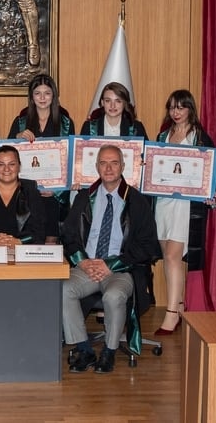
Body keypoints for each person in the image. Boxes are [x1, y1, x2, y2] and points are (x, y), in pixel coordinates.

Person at [61, 145, 159, 374]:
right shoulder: (85, 197)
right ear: (96, 167)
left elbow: (147, 246)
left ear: (123, 167)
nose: (109, 168)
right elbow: (68, 235)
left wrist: (111, 264)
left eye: (114, 163)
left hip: (121, 268)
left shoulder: (136, 201)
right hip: (87, 266)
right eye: (103, 163)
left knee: (114, 295)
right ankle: (84, 348)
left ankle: (109, 351)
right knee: (63, 289)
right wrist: (83, 261)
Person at [153, 89, 216, 336]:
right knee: (167, 255)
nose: (176, 112)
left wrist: (210, 192)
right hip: (162, 203)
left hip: (186, 206)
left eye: (181, 107)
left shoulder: (201, 139)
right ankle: (180, 306)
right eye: (172, 107)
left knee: (174, 256)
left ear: (190, 109)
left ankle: (171, 314)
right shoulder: (163, 135)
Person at [8, 73, 76, 242]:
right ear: (31, 97)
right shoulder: (20, 122)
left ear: (54, 95)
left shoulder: (66, 123)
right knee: (28, 240)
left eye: (47, 93)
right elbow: (8, 155)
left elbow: (71, 158)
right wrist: (17, 137)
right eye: (38, 93)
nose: (43, 98)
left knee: (50, 242)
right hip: (27, 192)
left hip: (54, 193)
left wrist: (56, 190)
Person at [81, 82, 148, 138]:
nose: (112, 106)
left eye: (118, 101)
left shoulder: (136, 128)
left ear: (124, 103)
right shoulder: (89, 127)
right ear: (102, 103)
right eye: (108, 101)